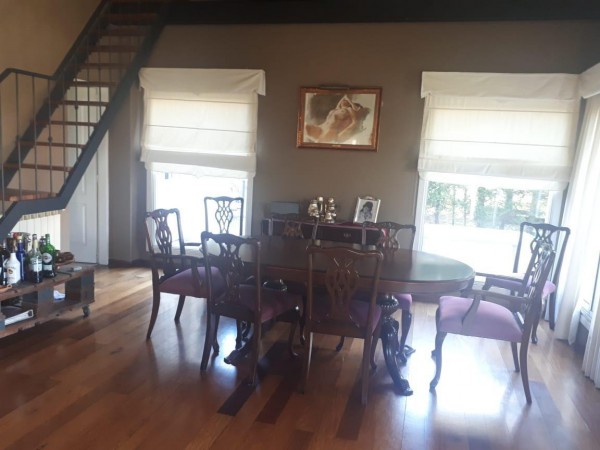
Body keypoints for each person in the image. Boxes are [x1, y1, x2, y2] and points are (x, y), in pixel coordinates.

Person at [305, 95, 370, 144]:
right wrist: (351, 105)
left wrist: (349, 103)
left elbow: (354, 122)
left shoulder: (343, 111)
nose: (344, 102)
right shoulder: (323, 136)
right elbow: (345, 97)